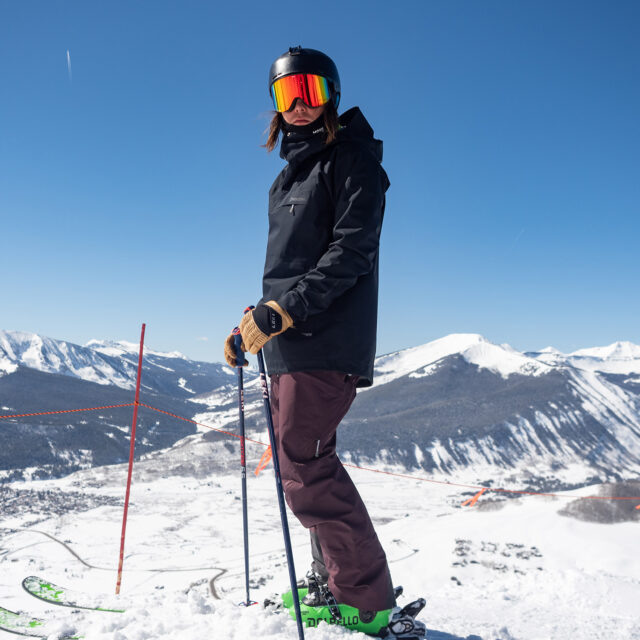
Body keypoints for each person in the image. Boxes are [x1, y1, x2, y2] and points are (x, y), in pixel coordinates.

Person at [225, 46, 425, 638]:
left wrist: (282, 311)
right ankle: (332, 583)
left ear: (332, 94)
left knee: (308, 472)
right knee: (302, 465)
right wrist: (254, 322)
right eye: (288, 96)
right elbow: (289, 270)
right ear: (276, 107)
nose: (301, 106)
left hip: (324, 341)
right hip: (290, 343)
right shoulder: (289, 177)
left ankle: (366, 601)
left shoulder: (354, 162)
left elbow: (350, 254)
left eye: (311, 91)